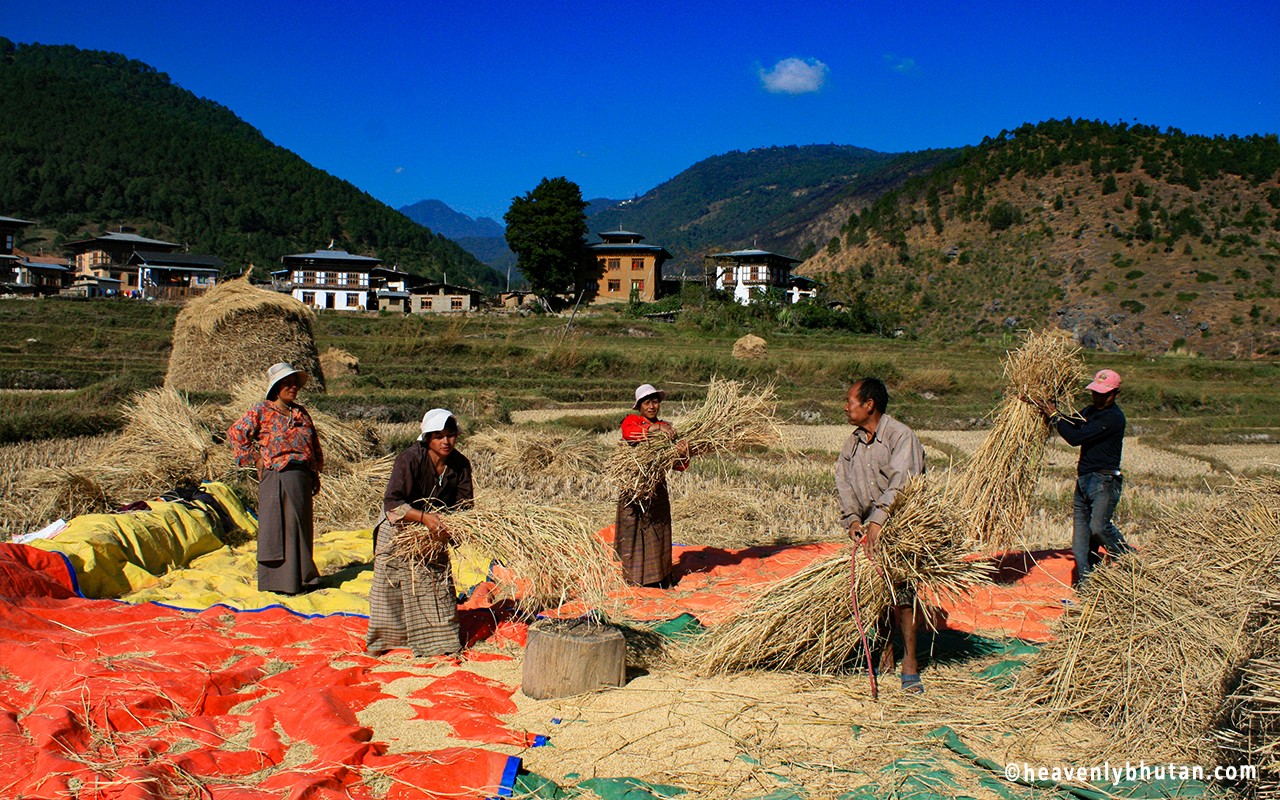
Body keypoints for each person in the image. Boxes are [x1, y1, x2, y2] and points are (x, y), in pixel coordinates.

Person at [834, 377, 927, 694]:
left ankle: (910, 662)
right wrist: (852, 520)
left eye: (850, 401)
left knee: (902, 592)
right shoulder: (853, 443)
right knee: (875, 592)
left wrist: (879, 519)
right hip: (867, 529)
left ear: (869, 405)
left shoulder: (901, 437)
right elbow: (843, 482)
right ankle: (885, 650)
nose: (846, 407)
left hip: (900, 524)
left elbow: (902, 482)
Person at [366, 408, 473, 657]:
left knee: (434, 586)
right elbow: (392, 502)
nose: (446, 441)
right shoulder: (410, 459)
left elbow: (465, 506)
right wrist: (424, 518)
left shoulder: (460, 465)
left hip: (434, 532)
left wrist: (450, 527)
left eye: (450, 435)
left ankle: (439, 643)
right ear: (427, 438)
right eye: (438, 436)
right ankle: (386, 642)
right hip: (399, 526)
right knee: (389, 586)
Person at [228, 362, 324, 595]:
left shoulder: (300, 413)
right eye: (287, 384)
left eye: (295, 384)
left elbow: (313, 445)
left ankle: (303, 578)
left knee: (301, 527)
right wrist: (256, 459)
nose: (293, 388)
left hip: (301, 476)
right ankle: (280, 582)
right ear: (276, 387)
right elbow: (236, 433)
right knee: (280, 528)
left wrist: (314, 472)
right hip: (278, 475)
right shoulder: (262, 410)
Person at [1044, 368, 1132, 585]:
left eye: (1104, 394)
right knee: (1081, 544)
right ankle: (1087, 589)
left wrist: (1055, 416)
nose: (1099, 397)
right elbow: (1072, 422)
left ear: (1115, 394)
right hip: (1083, 482)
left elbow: (1076, 436)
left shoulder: (1113, 418)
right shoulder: (1091, 411)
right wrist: (1052, 411)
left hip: (1104, 482)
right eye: (1096, 393)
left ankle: (1129, 559)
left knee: (1099, 528)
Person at [615, 384, 690, 588]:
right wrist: (655, 428)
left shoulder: (668, 428)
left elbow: (680, 465)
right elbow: (630, 434)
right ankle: (633, 579)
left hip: (657, 489)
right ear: (639, 406)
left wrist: (682, 452)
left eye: (655, 402)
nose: (651, 406)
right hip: (634, 488)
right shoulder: (633, 421)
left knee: (659, 532)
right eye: (647, 402)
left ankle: (660, 577)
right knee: (634, 531)